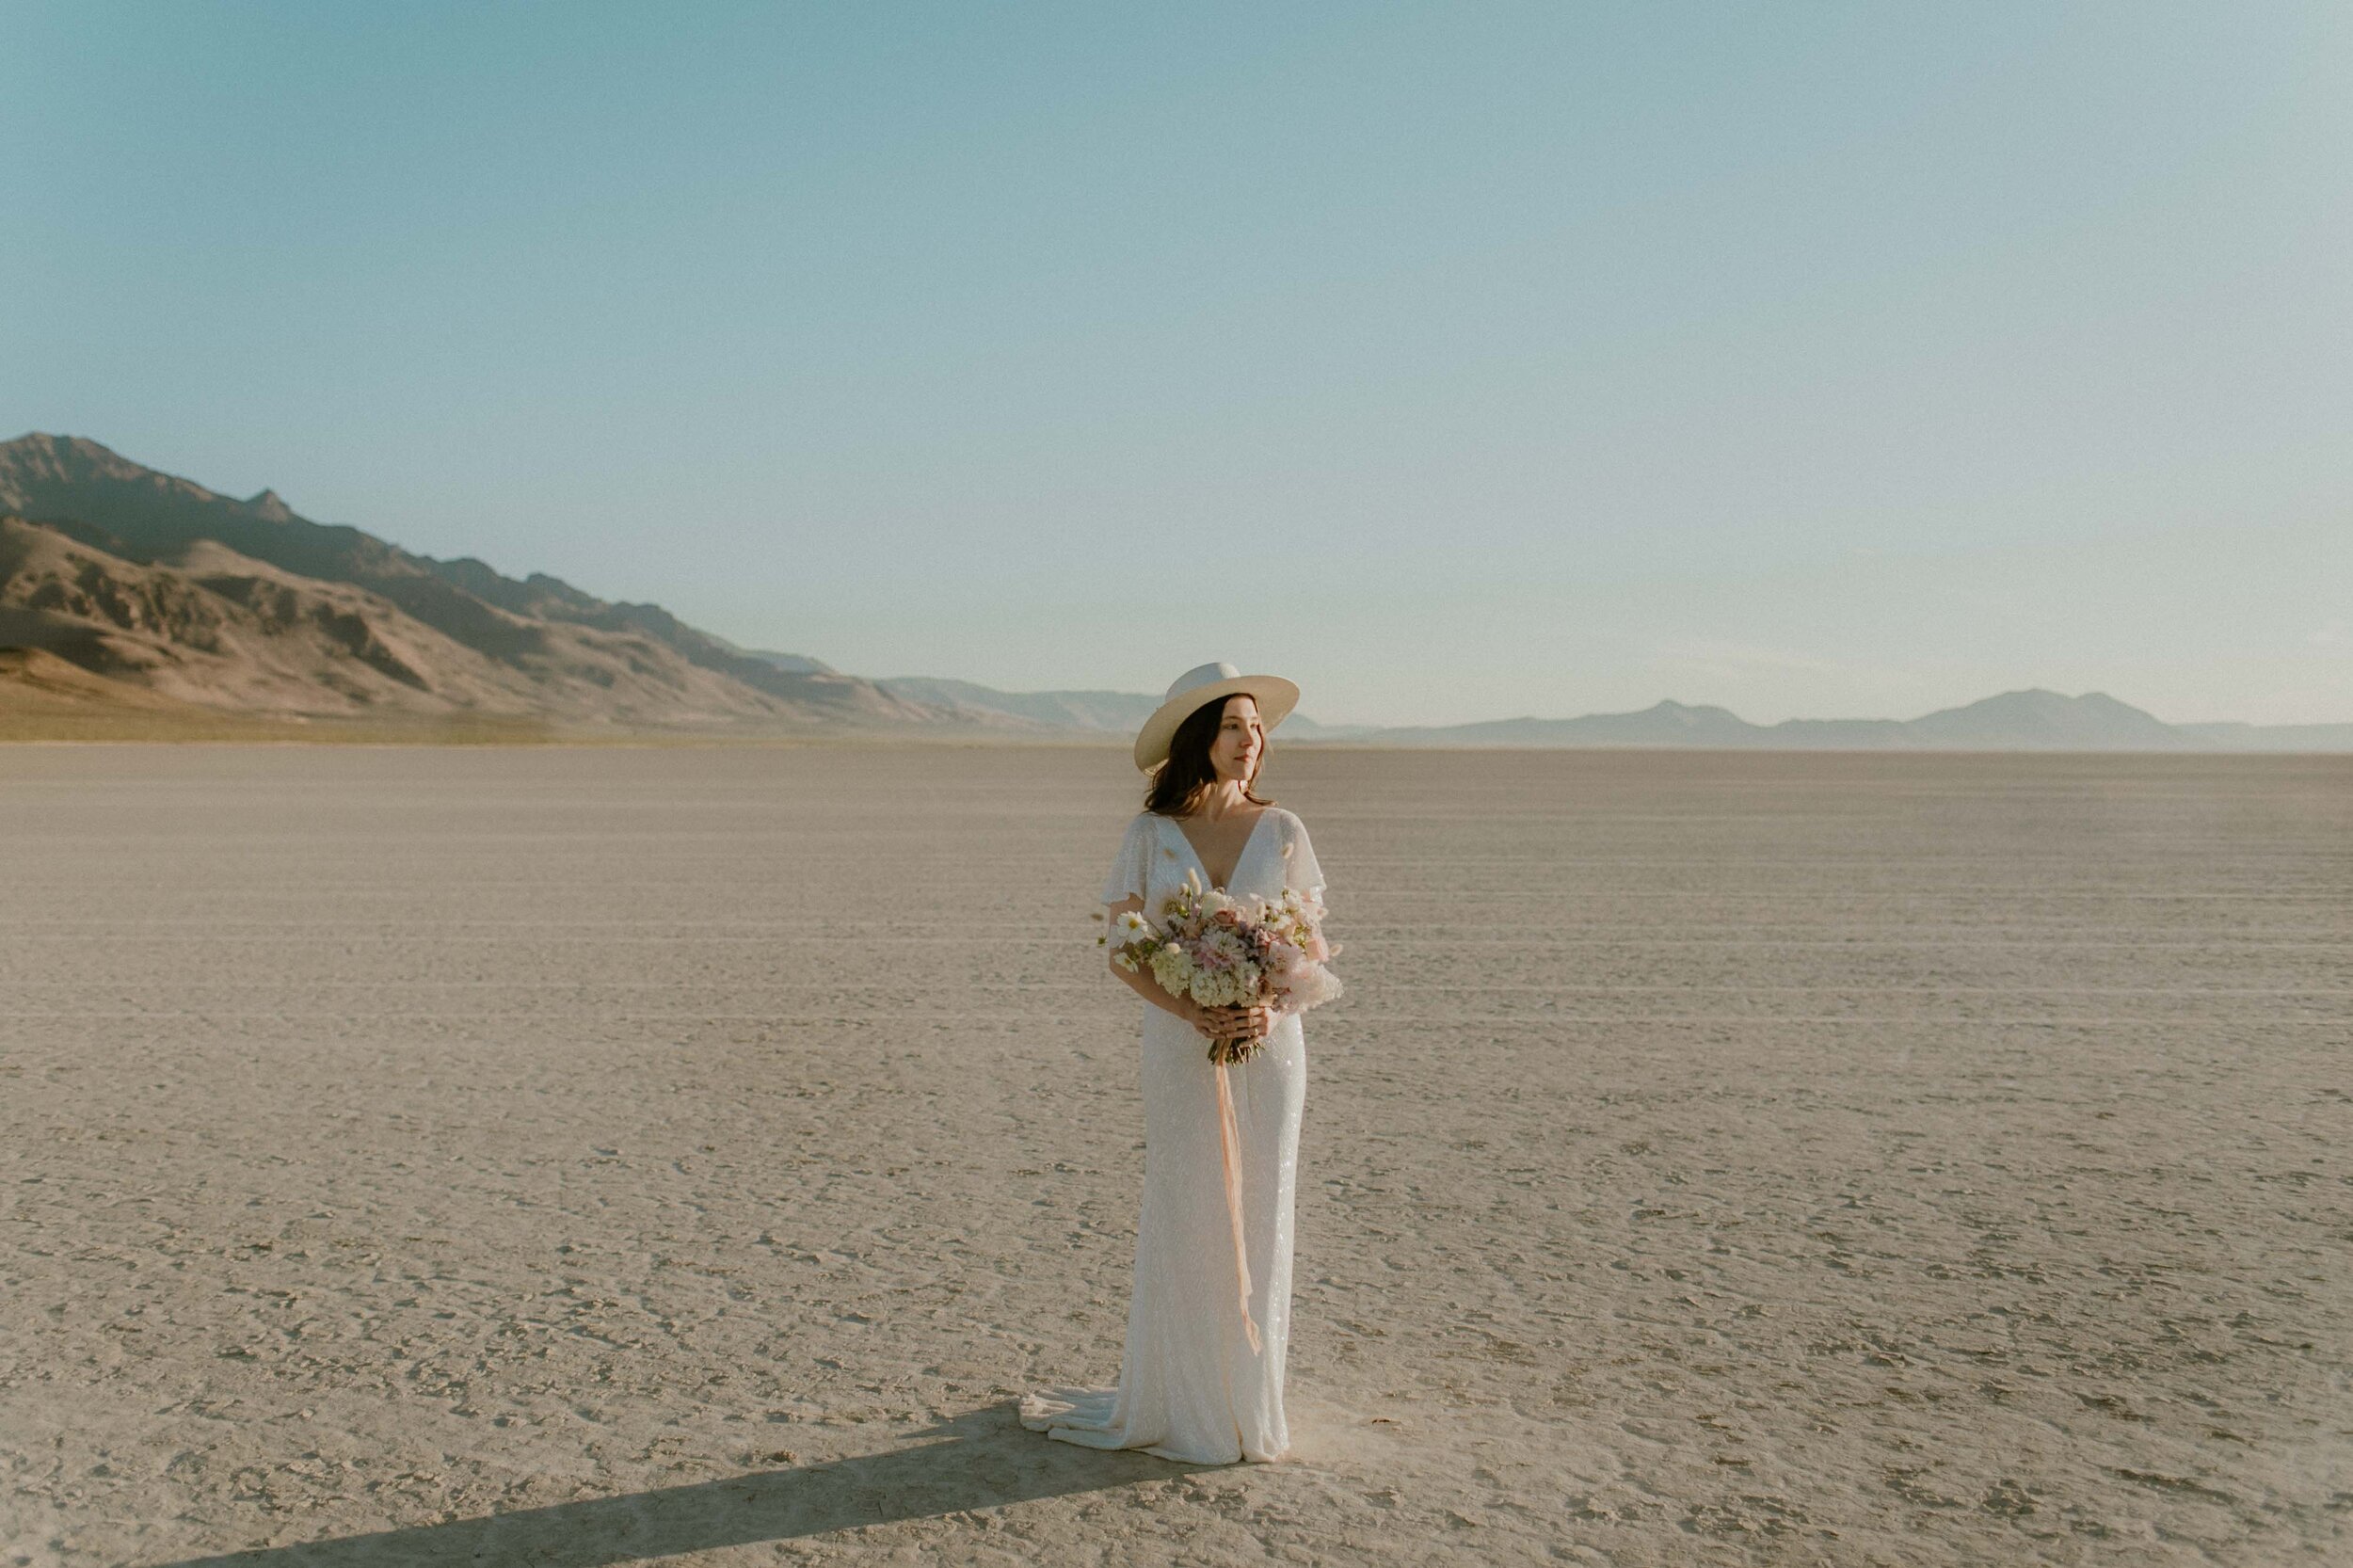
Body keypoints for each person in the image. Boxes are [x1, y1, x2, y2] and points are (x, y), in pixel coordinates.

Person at [1020, 661, 1329, 1464]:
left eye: (1257, 728)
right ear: (1199, 737)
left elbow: (1311, 952)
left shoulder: (1285, 829)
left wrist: (1269, 1004)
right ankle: (1186, 1403)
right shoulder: (1149, 837)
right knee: (1189, 1204)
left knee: (1264, 1210)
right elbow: (1125, 954)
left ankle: (1247, 1410)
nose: (1250, 742)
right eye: (1233, 726)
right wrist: (1192, 1007)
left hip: (1270, 1048)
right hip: (1178, 1042)